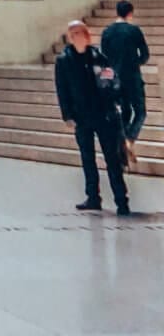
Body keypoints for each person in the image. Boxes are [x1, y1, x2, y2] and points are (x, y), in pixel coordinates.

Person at [54, 18, 130, 215]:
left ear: (87, 35)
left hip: (104, 115)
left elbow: (112, 79)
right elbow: (62, 89)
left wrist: (115, 99)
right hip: (82, 116)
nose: (78, 36)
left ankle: (121, 200)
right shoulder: (64, 60)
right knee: (87, 158)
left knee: (112, 159)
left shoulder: (98, 56)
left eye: (81, 32)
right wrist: (67, 115)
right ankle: (93, 197)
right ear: (70, 38)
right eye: (74, 34)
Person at [100, 0, 150, 171]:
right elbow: (145, 54)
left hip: (115, 79)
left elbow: (104, 57)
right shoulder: (134, 30)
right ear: (130, 13)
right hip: (133, 78)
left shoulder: (107, 32)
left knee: (124, 114)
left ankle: (122, 159)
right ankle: (129, 139)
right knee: (141, 112)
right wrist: (134, 63)